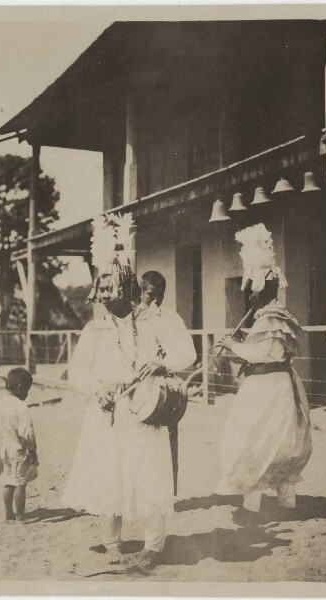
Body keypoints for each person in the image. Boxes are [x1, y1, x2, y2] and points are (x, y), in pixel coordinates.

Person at [61, 214, 196, 572]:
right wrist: (97, 389)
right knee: (110, 475)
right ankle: (112, 542)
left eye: (111, 290)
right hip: (107, 414)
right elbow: (76, 372)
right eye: (100, 291)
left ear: (126, 288)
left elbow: (188, 353)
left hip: (144, 412)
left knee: (150, 476)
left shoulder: (155, 320)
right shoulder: (94, 329)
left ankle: (154, 545)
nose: (104, 298)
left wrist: (161, 365)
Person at [215, 223, 312, 519]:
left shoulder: (270, 317)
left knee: (256, 439)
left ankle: (254, 505)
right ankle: (285, 500)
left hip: (269, 387)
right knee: (275, 439)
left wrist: (233, 345)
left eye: (249, 290)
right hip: (275, 384)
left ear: (259, 291)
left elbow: (262, 353)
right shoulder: (271, 317)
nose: (248, 296)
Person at [138, 271, 195, 496]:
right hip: (138, 390)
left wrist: (165, 365)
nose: (155, 301)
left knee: (167, 441)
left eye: (160, 296)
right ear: (141, 291)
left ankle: (166, 495)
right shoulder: (131, 318)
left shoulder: (171, 318)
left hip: (163, 390)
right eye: (151, 295)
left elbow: (189, 354)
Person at [0, 367, 39, 524]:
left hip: (2, 450)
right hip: (18, 451)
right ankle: (20, 516)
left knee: (7, 482)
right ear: (19, 388)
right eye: (27, 390)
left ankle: (9, 513)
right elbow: (27, 432)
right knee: (20, 483)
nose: (27, 394)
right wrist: (33, 451)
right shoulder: (20, 406)